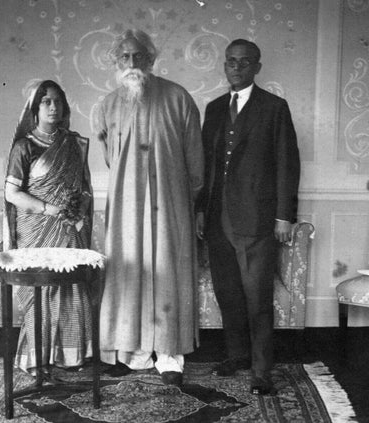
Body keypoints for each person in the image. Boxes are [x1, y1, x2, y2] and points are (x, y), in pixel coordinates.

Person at [94, 29, 204, 386]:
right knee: (129, 271)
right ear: (115, 62)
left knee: (167, 271)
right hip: (126, 208)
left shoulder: (178, 98)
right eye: (124, 57)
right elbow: (112, 159)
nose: (132, 64)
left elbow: (195, 164)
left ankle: (170, 355)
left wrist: (183, 202)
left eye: (139, 56)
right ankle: (133, 352)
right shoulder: (107, 105)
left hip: (171, 206)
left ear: (151, 59)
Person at [196, 39, 301, 395]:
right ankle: (237, 355)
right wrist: (199, 210)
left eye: (244, 62)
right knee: (228, 293)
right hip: (216, 218)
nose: (236, 68)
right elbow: (204, 166)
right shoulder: (212, 109)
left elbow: (288, 163)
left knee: (257, 297)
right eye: (231, 62)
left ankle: (261, 370)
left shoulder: (274, 108)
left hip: (256, 220)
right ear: (224, 66)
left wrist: (285, 215)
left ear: (257, 67)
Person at [4, 79, 94, 374]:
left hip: (68, 226)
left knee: (70, 287)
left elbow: (84, 188)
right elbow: (12, 193)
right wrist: (48, 208)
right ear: (35, 108)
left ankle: (69, 357)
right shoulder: (24, 146)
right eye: (46, 102)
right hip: (36, 228)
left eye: (58, 102)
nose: (53, 108)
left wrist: (75, 206)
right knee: (40, 289)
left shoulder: (74, 144)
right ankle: (38, 358)